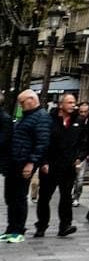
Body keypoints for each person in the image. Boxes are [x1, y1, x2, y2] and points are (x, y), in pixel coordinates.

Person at [34, 92, 84, 238]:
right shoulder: (49, 120)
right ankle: (41, 225)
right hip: (50, 165)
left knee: (66, 197)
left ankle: (65, 225)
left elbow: (82, 142)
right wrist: (43, 161)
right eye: (69, 102)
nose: (73, 105)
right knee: (44, 197)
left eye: (74, 102)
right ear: (61, 104)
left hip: (68, 166)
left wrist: (79, 157)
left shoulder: (78, 121)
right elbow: (41, 142)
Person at [3, 89, 50, 242]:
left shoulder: (41, 117)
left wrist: (31, 163)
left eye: (22, 103)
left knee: (19, 197)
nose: (21, 106)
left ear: (31, 100)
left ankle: (19, 229)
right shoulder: (27, 116)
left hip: (25, 162)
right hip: (14, 161)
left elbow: (41, 143)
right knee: (10, 196)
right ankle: (10, 228)